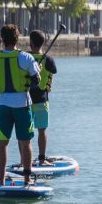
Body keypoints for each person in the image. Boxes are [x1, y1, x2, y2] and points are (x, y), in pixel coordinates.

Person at [0, 24, 41, 186]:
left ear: (2, 40)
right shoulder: (26, 58)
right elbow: (36, 81)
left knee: (3, 143)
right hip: (22, 105)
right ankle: (26, 179)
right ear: (17, 38)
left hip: (3, 105)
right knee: (26, 143)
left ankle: (2, 179)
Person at [28, 30, 58, 165]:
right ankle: (41, 159)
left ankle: (25, 161)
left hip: (25, 101)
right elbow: (52, 75)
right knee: (42, 131)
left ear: (31, 43)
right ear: (43, 43)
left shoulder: (24, 57)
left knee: (25, 133)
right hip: (41, 100)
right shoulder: (49, 60)